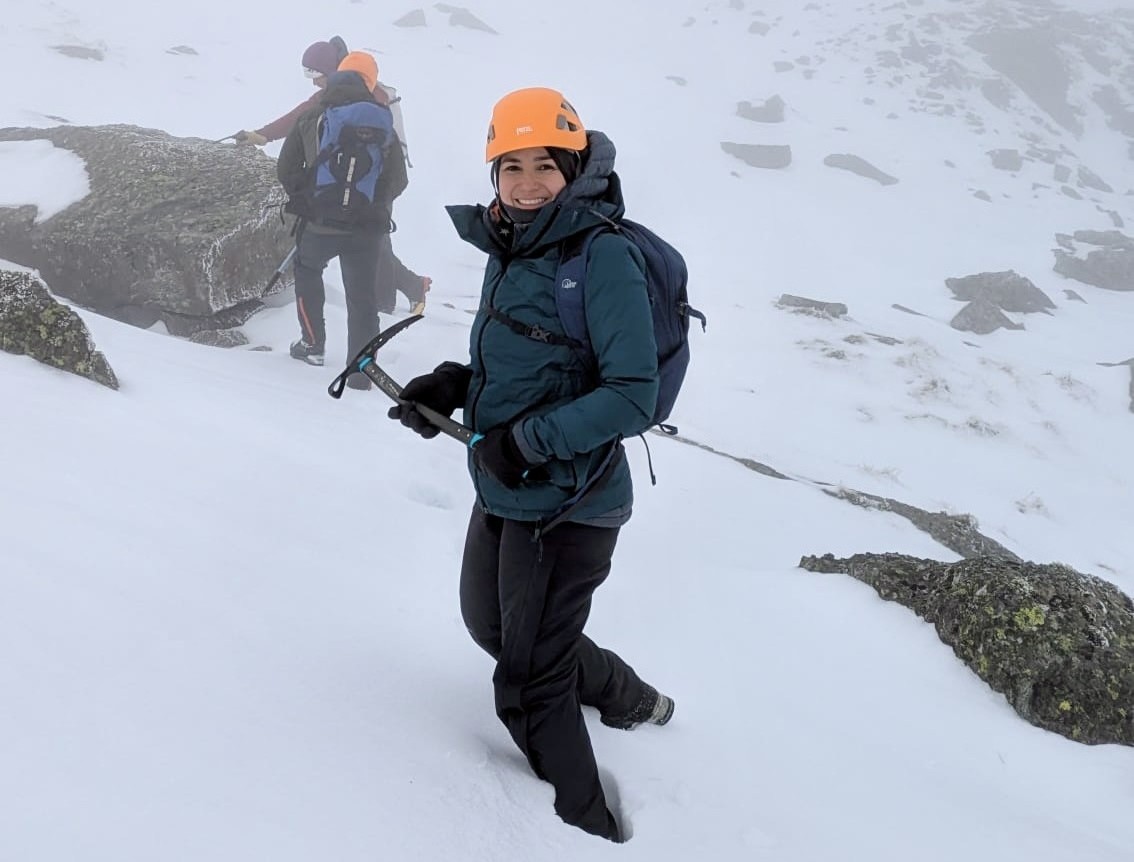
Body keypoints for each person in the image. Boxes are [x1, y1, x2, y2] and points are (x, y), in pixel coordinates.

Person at [387, 87, 674, 842]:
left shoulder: (599, 253)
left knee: (528, 681)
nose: (524, 183)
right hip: (508, 482)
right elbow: (528, 358)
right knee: (490, 624)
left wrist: (527, 443)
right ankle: (625, 694)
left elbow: (633, 396)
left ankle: (585, 829)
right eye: (509, 166)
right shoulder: (513, 241)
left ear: (574, 166)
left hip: (569, 502)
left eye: (544, 165)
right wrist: (451, 386)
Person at [235, 39, 431, 315]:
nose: (314, 83)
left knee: (376, 243)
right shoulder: (339, 91)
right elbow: (303, 114)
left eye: (317, 75)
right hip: (357, 180)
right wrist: (263, 134)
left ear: (331, 71)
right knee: (371, 241)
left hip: (375, 180)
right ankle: (411, 287)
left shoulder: (370, 96)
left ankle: (386, 305)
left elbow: (305, 115)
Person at [276, 51, 407, 390]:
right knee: (362, 297)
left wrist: (308, 197)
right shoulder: (382, 120)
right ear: (370, 82)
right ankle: (361, 371)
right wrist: (373, 206)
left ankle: (312, 345)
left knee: (307, 271)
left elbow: (286, 168)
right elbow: (399, 180)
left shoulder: (313, 116)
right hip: (365, 230)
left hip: (319, 223)